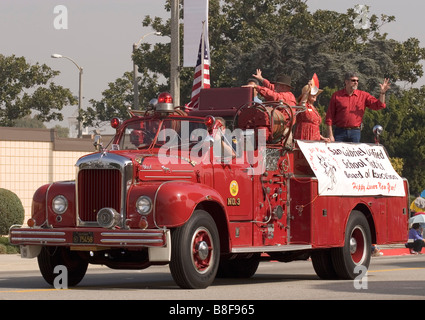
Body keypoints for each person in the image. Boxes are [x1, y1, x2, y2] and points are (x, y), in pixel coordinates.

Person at [325, 72, 391, 142]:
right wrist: (330, 135)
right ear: (346, 81)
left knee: (354, 153)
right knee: (338, 153)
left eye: (357, 81)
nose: (356, 82)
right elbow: (329, 116)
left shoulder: (363, 95)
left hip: (355, 132)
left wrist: (382, 93)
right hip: (339, 132)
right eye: (353, 80)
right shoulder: (337, 96)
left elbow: (379, 105)